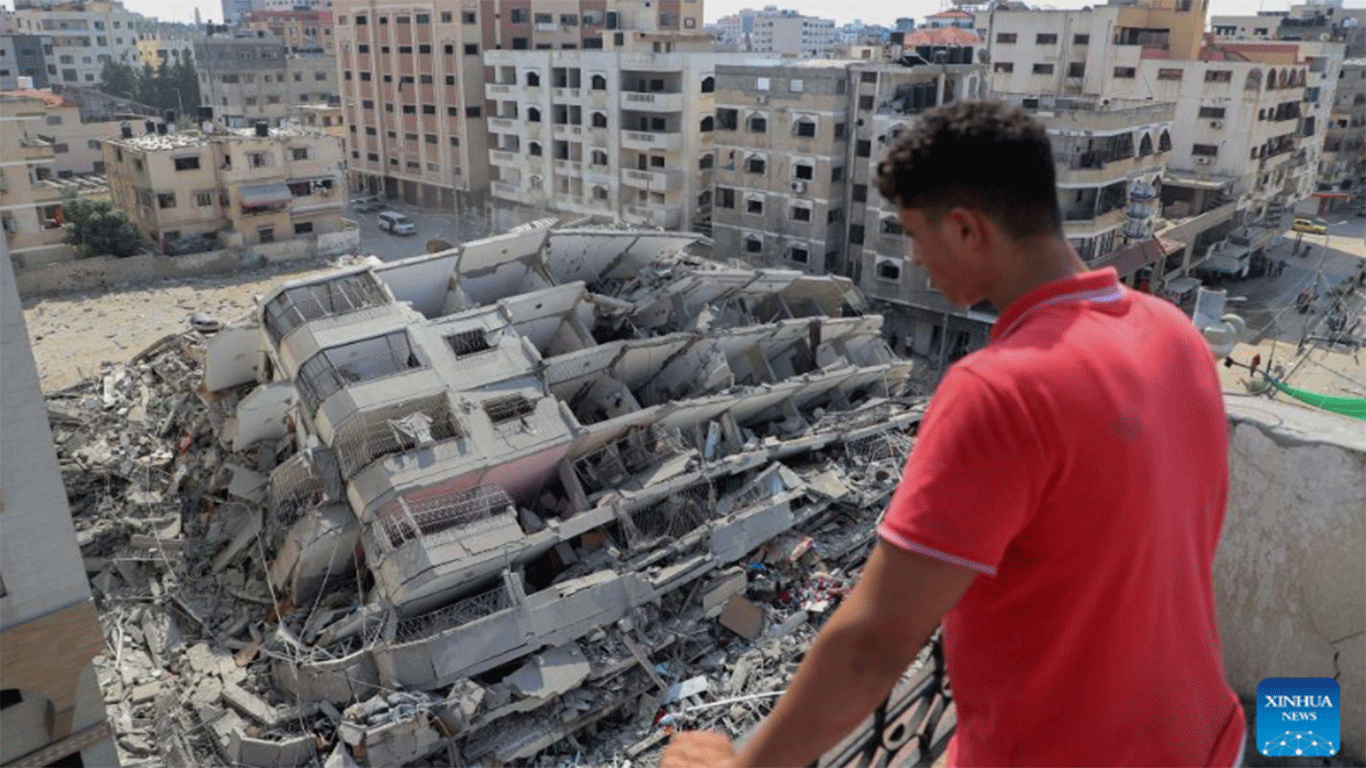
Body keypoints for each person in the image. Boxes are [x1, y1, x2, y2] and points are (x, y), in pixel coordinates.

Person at [661, 101, 1245, 768]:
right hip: (1206, 738)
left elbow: (875, 644)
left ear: (968, 229)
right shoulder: (1172, 332)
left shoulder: (1000, 391)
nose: (915, 258)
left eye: (916, 235)